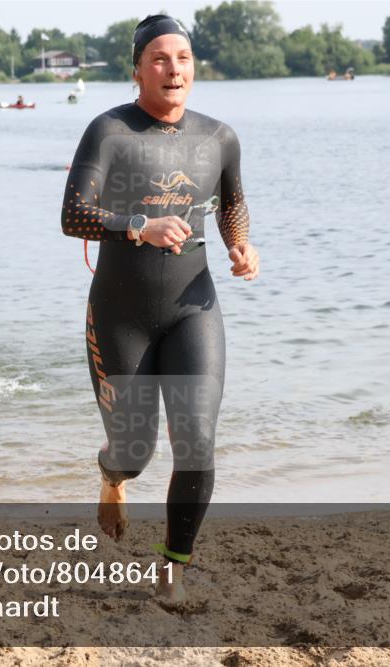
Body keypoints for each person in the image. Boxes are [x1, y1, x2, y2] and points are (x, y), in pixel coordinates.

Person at [60, 14, 259, 603]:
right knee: (135, 450)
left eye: (184, 59)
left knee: (197, 436)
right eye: (160, 59)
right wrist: (138, 227)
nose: (175, 70)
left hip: (192, 306)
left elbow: (232, 203)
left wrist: (240, 245)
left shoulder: (218, 137)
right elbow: (72, 216)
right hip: (121, 312)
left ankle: (172, 569)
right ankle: (111, 476)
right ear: (138, 70)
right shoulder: (110, 131)